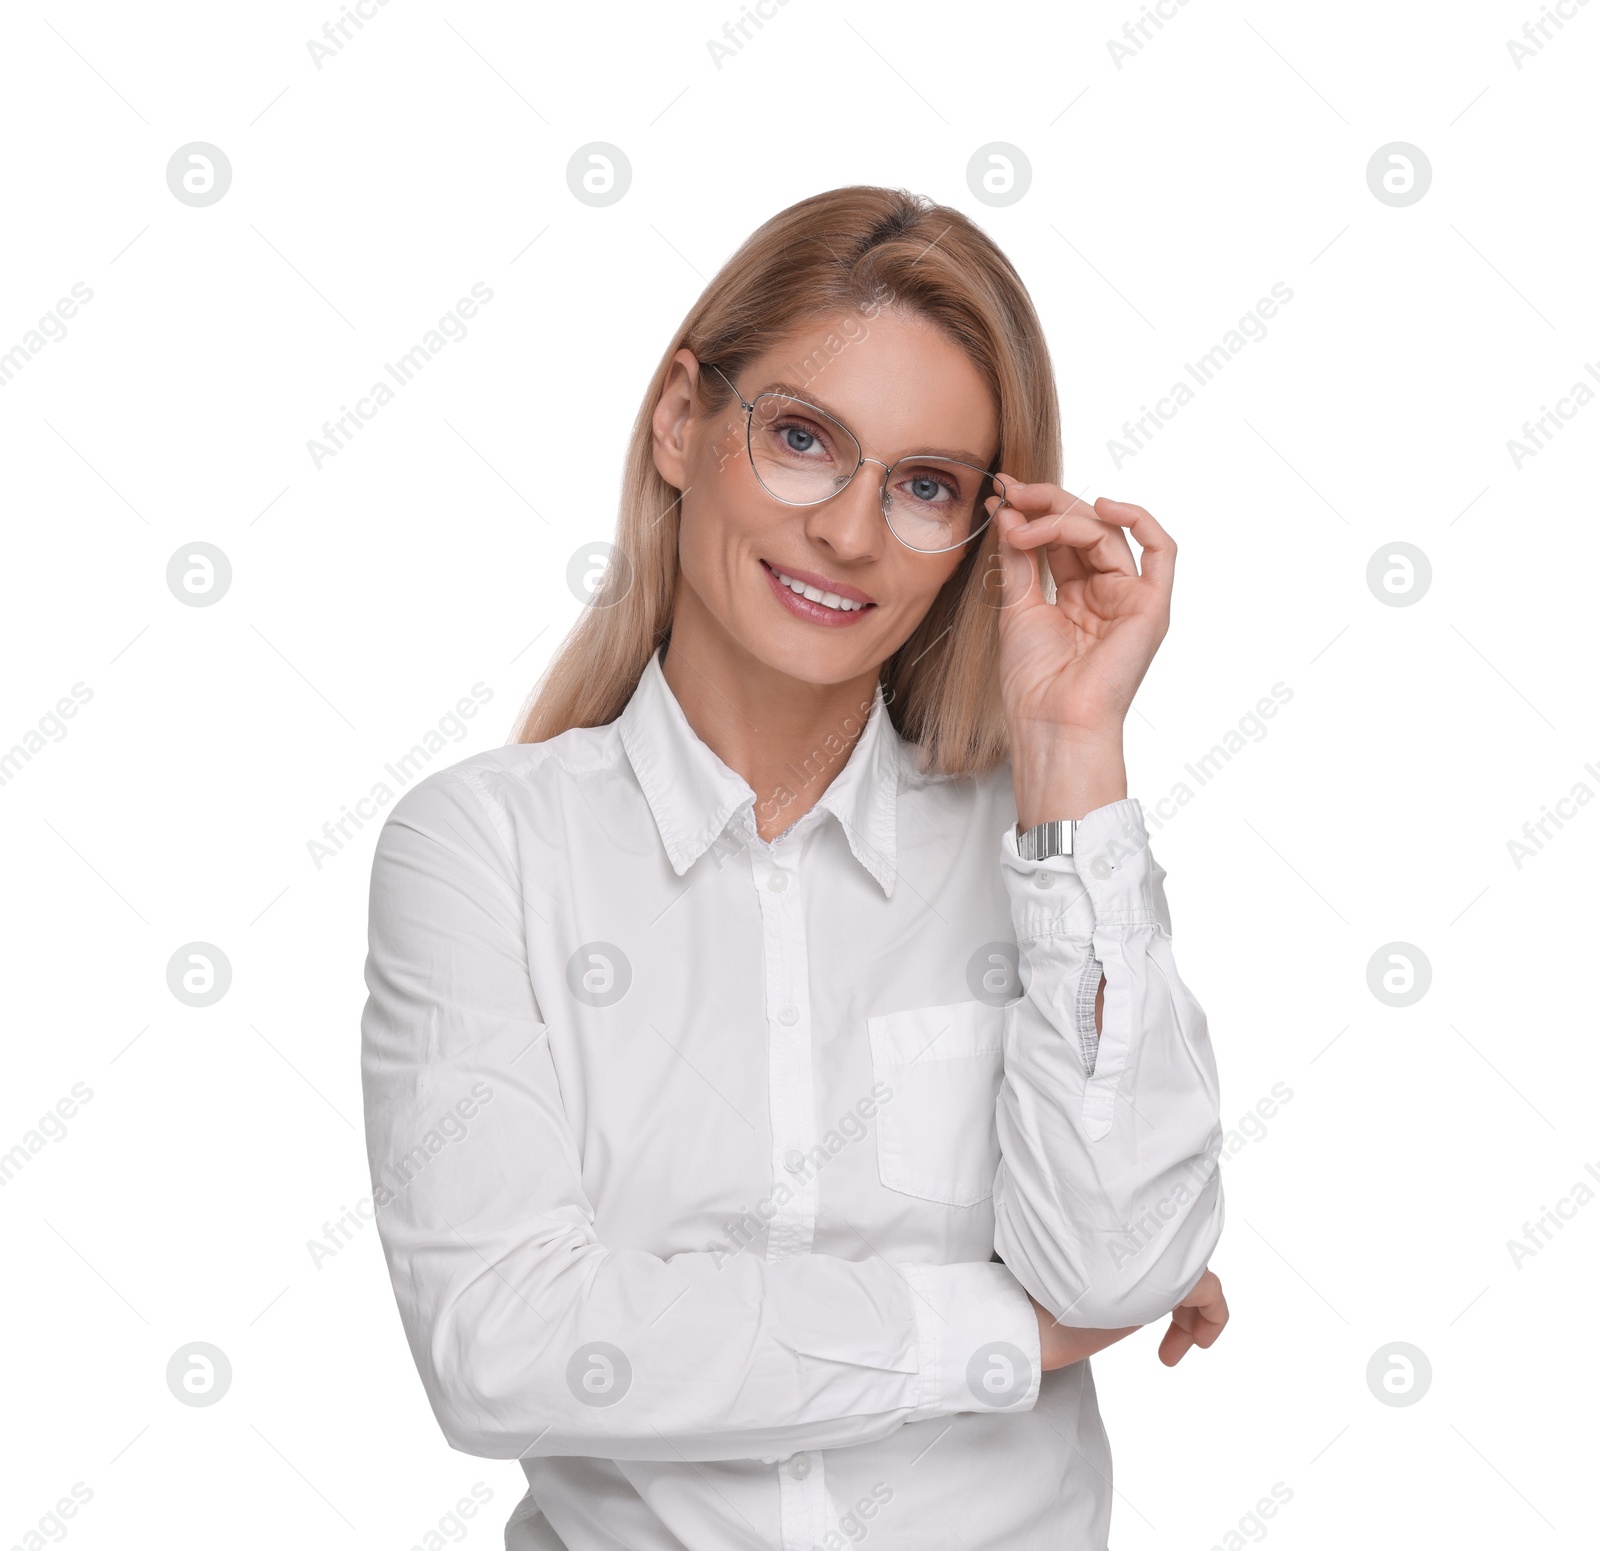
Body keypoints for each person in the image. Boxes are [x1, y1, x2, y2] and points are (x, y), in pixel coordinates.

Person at [360, 184, 1227, 1551]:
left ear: (978, 536)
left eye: (928, 485)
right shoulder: (484, 849)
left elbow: (1122, 1263)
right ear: (680, 421)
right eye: (806, 440)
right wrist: (1011, 1326)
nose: (849, 532)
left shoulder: (1042, 857)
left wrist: (1071, 748)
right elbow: (509, 1345)